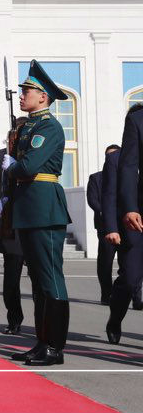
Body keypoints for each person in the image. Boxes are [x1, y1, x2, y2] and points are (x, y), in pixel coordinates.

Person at [3, 60, 71, 366]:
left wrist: (12, 166)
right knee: (38, 282)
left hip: (44, 208)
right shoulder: (28, 126)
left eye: (27, 90)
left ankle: (55, 346)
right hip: (28, 208)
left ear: (43, 96)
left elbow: (29, 166)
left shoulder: (49, 127)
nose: (22, 95)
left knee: (50, 280)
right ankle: (42, 342)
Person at [0, 118, 32, 335]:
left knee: (39, 277)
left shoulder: (33, 156)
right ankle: (14, 318)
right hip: (9, 225)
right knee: (11, 276)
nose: (17, 139)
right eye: (14, 136)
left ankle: (45, 321)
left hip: (32, 222)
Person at [107, 104, 143, 344]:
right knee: (130, 278)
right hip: (138, 218)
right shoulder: (138, 120)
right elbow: (128, 168)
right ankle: (115, 318)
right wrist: (130, 208)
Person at [92, 144, 141, 308]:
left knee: (131, 267)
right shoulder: (97, 177)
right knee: (107, 264)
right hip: (110, 226)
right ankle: (108, 296)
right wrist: (109, 223)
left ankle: (136, 297)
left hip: (136, 226)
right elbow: (101, 200)